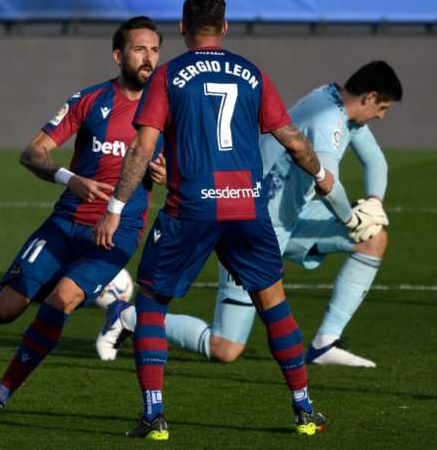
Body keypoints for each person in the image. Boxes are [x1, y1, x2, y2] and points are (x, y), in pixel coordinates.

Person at [94, 0, 336, 440]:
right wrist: (321, 174)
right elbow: (293, 139)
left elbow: (142, 149)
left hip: (192, 208)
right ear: (224, 28)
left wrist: (114, 208)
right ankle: (304, 410)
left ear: (182, 29)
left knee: (150, 302)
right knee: (273, 302)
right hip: (247, 205)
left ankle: (154, 416)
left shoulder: (168, 75)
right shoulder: (252, 73)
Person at [99, 61, 402, 368]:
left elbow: (376, 162)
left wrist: (374, 202)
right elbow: (325, 181)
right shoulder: (328, 121)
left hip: (290, 220)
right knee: (225, 348)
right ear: (369, 97)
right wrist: (351, 219)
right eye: (383, 108)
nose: (382, 116)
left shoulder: (338, 106)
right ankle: (127, 316)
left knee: (372, 239)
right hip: (250, 225)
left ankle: (325, 344)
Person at [0, 16, 165, 420]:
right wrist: (68, 178)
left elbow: (185, 170)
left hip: (117, 231)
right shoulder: (90, 101)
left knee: (64, 299)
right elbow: (33, 152)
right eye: (139, 49)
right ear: (118, 55)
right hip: (67, 220)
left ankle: (0, 393)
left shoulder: (168, 112)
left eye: (155, 50)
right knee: (6, 310)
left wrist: (166, 174)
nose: (149, 58)